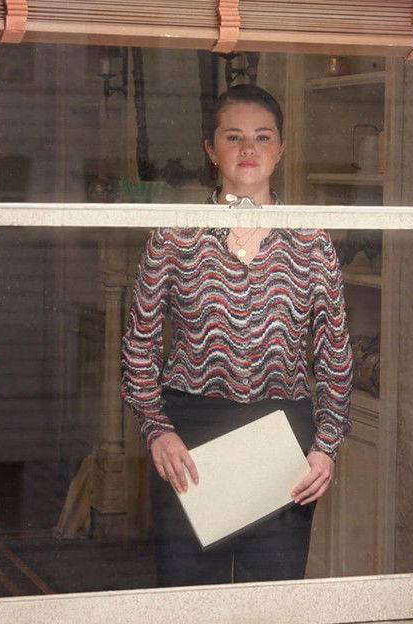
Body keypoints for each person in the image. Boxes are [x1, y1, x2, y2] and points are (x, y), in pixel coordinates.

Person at [120, 84, 353, 586]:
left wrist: (325, 446)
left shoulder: (311, 241)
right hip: (190, 438)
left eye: (263, 137)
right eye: (234, 137)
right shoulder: (175, 235)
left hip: (283, 440)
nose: (249, 149)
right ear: (211, 148)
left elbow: (335, 355)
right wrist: (157, 430)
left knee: (270, 602)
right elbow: (139, 345)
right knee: (188, 601)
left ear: (281, 148)